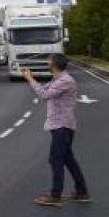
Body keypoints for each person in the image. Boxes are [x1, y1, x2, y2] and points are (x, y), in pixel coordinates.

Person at [24, 53, 89, 207]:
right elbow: (44, 88)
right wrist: (32, 77)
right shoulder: (58, 79)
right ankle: (82, 192)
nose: (47, 62)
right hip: (60, 125)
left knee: (56, 160)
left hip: (62, 126)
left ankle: (55, 195)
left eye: (49, 60)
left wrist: (29, 78)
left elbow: (44, 95)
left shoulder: (65, 81)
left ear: (54, 64)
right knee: (68, 160)